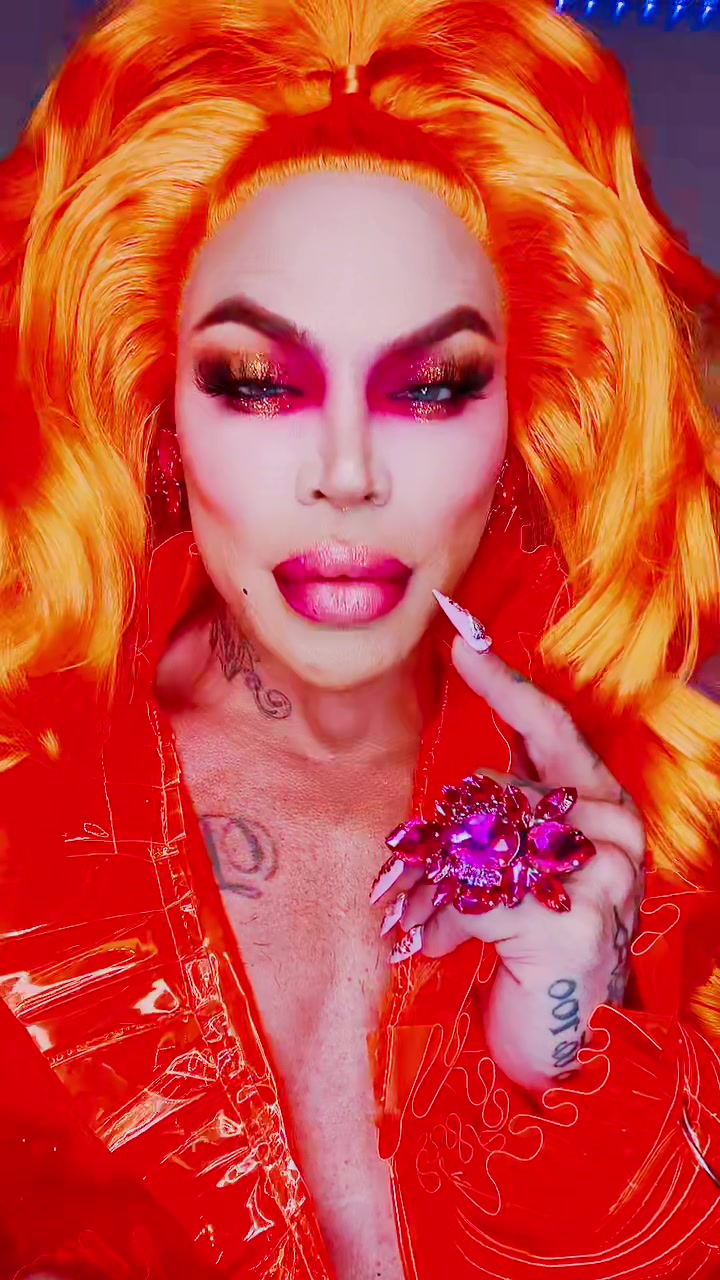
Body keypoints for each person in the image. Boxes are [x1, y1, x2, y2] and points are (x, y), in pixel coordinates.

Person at [1, 0, 720, 1275]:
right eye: (257, 381)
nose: (346, 471)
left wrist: (571, 1040)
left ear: (525, 418)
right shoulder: (24, 809)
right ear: (159, 404)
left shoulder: (656, 832)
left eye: (432, 386)